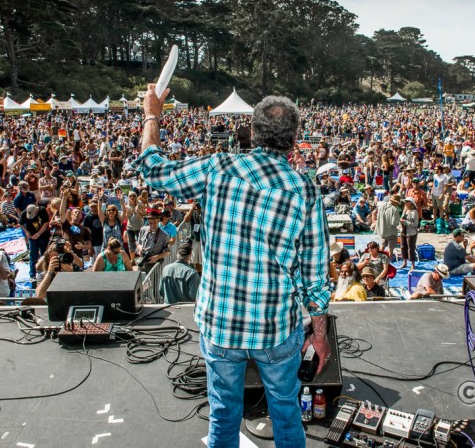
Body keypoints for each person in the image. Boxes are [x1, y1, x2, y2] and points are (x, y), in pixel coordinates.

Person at [133, 88, 329, 447]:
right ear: (294, 141)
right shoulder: (305, 190)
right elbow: (314, 274)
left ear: (252, 133)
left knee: (223, 411)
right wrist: (319, 333)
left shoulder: (218, 167)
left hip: (220, 323)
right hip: (276, 328)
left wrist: (152, 115)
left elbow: (153, 170)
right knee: (286, 408)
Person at [134, 209, 171, 274]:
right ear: (147, 221)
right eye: (150, 223)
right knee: (140, 283)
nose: (152, 225)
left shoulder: (165, 236)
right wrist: (141, 250)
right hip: (142, 261)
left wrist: (157, 257)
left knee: (154, 283)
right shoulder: (143, 230)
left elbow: (167, 252)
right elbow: (138, 243)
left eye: (155, 223)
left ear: (158, 220)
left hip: (154, 265)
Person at [20, 204, 51, 282]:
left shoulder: (42, 211)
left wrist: (38, 234)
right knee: (33, 255)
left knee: (44, 255)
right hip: (32, 237)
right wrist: (27, 232)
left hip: (43, 235)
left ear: (36, 211)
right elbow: (21, 224)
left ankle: (45, 272)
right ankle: (32, 274)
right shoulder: (24, 213)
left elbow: (46, 223)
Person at [374, 193, 402, 260]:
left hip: (382, 231)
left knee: (382, 245)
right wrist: (400, 222)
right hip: (391, 232)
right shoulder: (394, 209)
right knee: (390, 248)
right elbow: (394, 223)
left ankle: (379, 260)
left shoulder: (381, 206)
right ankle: (388, 262)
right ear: (396, 202)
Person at [399, 198, 419, 269]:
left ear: (411, 203)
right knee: (403, 247)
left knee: (411, 248)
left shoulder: (414, 212)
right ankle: (405, 262)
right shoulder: (405, 210)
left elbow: (415, 224)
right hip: (403, 231)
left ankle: (413, 264)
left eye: (407, 201)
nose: (405, 203)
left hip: (411, 232)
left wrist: (404, 222)